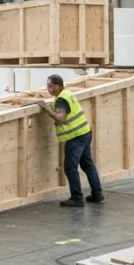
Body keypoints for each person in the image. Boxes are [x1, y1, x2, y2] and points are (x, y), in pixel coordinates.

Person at [40, 74, 103, 207]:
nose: (48, 89)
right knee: (87, 165)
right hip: (85, 132)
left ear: (58, 86)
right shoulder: (67, 93)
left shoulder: (61, 100)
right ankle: (97, 194)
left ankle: (77, 198)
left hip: (76, 137)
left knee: (70, 168)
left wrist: (47, 109)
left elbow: (61, 118)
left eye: (50, 86)